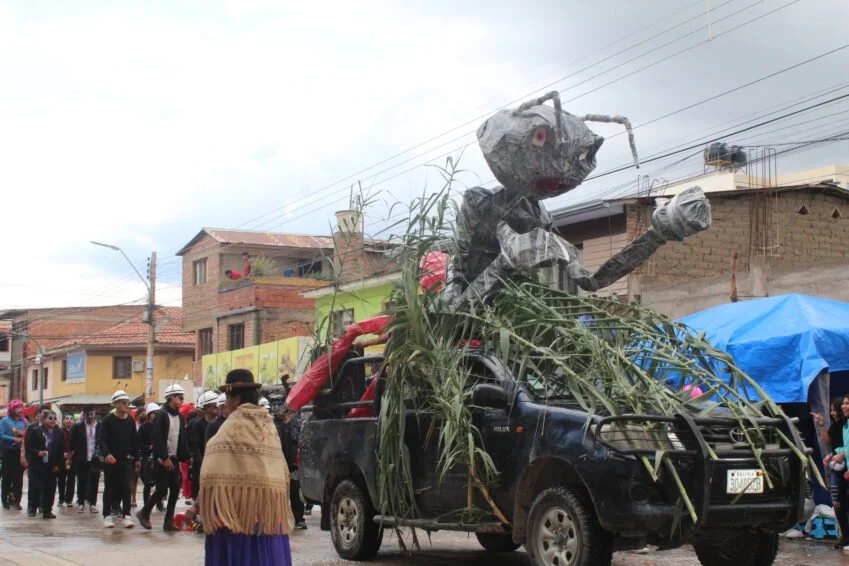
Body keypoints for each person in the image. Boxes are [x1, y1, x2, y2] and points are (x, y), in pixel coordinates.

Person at [195, 369, 293, 565]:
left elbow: (213, 466)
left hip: (237, 516)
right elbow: (279, 466)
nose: (227, 403)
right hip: (267, 513)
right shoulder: (268, 424)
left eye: (228, 397)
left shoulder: (232, 426)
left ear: (236, 397)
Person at [136, 384, 189, 531]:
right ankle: (144, 513)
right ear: (170, 397)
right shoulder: (161, 415)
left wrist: (184, 455)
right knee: (161, 489)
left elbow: (181, 438)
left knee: (174, 490)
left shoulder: (179, 416)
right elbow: (158, 439)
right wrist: (164, 458)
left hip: (174, 458)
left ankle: (168, 521)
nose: (181, 399)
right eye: (179, 397)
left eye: (182, 397)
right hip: (162, 459)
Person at [98, 390, 140, 528]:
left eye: (127, 403)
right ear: (115, 404)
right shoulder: (108, 421)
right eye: (123, 403)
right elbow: (102, 440)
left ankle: (126, 516)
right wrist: (106, 454)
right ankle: (107, 515)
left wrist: (137, 459)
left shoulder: (130, 421)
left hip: (126, 460)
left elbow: (134, 441)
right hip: (111, 460)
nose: (126, 405)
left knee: (126, 488)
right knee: (110, 487)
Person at [818, 397, 849, 548]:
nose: (833, 412)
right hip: (840, 467)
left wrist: (841, 455)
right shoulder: (841, 426)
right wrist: (822, 425)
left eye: (846, 404)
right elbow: (830, 442)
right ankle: (845, 536)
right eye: (843, 404)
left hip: (844, 465)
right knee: (837, 503)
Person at [25, 407, 64, 519]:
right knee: (36, 487)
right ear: (45, 419)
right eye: (50, 418)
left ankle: (47, 510)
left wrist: (58, 465)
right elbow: (29, 447)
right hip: (37, 464)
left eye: (55, 418)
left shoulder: (59, 433)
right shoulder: (36, 431)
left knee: (50, 489)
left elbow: (61, 451)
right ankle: (33, 508)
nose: (52, 420)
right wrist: (38, 453)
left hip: (52, 465)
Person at [275, 410, 306, 529]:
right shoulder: (271, 424)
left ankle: (299, 519)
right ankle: (278, 519)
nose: (277, 407)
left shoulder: (296, 423)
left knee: (295, 491)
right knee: (279, 493)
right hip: (277, 465)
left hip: (293, 466)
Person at [188, 392, 219, 507]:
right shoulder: (198, 425)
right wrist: (201, 461)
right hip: (201, 463)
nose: (216, 408)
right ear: (206, 408)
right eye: (213, 406)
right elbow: (195, 446)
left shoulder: (220, 424)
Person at [70, 405, 101, 514]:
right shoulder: (78, 427)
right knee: (81, 480)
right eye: (87, 414)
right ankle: (81, 503)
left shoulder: (100, 426)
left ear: (95, 413)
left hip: (95, 459)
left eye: (91, 414)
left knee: (94, 481)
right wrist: (70, 455)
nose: (89, 417)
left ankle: (93, 503)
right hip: (82, 458)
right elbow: (72, 443)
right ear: (84, 415)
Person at [0, 399, 29, 510]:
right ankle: (5, 501)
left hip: (20, 452)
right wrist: (13, 438)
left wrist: (22, 435)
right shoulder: (4, 421)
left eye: (21, 407)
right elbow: (1, 434)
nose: (20, 410)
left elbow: (28, 433)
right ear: (12, 409)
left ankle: (17, 501)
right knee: (6, 477)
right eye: (17, 407)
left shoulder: (25, 421)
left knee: (18, 478)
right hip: (8, 451)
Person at [139, 402, 163, 511]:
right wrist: (148, 447)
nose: (155, 415)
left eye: (157, 413)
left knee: (160, 483)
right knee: (148, 483)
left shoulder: (161, 426)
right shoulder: (144, 427)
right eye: (153, 413)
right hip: (147, 458)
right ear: (149, 414)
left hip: (159, 457)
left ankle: (159, 504)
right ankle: (146, 504)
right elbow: (138, 442)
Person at [57, 414, 75, 507]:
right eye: (67, 418)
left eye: (71, 419)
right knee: (61, 479)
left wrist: (71, 454)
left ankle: (69, 499)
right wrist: (62, 453)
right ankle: (61, 498)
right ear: (64, 421)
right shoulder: (60, 432)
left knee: (71, 479)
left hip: (72, 458)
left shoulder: (76, 431)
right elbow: (57, 444)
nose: (69, 420)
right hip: (61, 458)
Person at [130, 405, 146, 508]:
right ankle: (133, 498)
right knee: (133, 478)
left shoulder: (147, 426)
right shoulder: (133, 426)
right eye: (142, 413)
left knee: (146, 479)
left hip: (144, 454)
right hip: (134, 454)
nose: (144, 415)